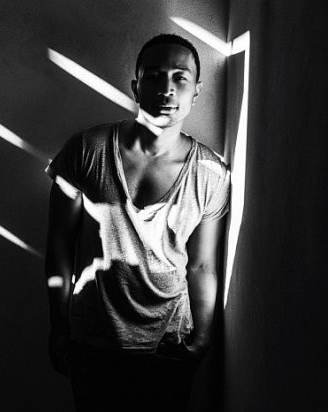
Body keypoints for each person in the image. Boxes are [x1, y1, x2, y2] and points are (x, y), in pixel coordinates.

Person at [44, 34, 230, 411]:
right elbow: (59, 243)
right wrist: (59, 324)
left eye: (180, 77)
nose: (167, 88)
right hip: (93, 339)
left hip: (169, 343)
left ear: (196, 91)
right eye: (154, 76)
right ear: (136, 87)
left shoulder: (210, 173)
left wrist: (202, 337)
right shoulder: (87, 149)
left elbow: (202, 265)